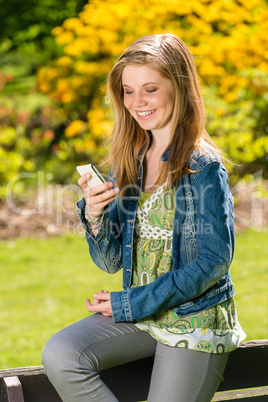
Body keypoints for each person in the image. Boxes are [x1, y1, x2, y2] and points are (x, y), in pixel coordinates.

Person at [42, 33, 246, 402]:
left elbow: (213, 262)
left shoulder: (203, 167)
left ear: (179, 88)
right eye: (128, 91)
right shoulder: (132, 160)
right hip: (142, 316)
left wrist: (129, 303)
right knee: (62, 354)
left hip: (192, 318)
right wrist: (95, 214)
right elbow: (111, 261)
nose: (137, 102)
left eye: (150, 89)